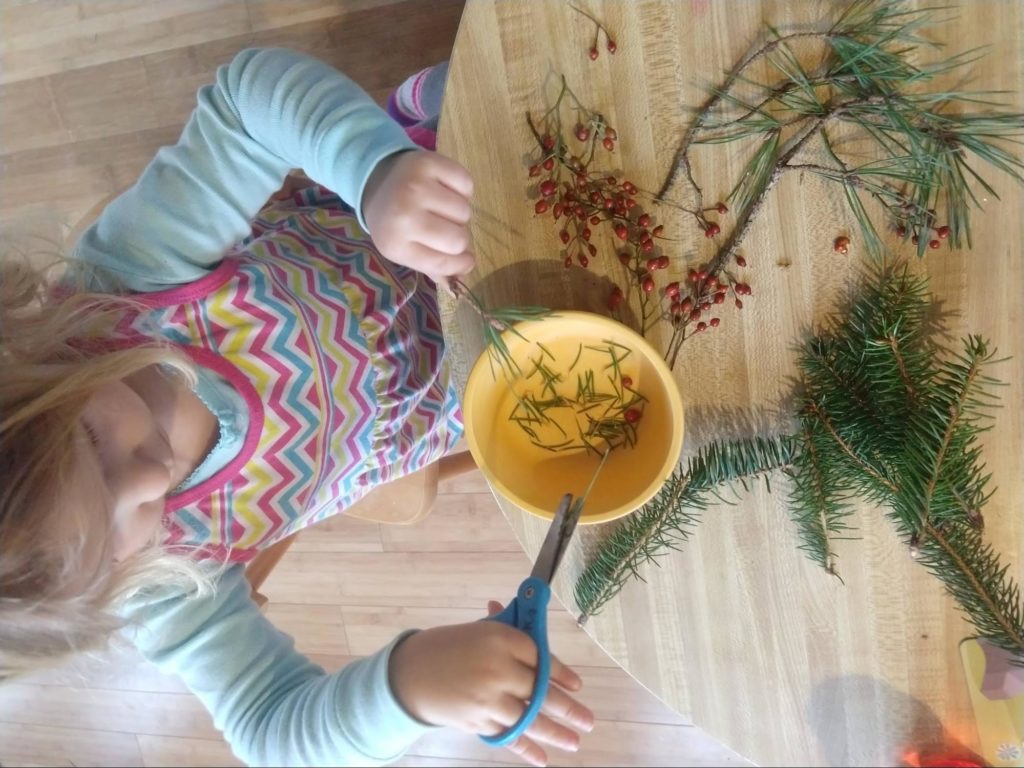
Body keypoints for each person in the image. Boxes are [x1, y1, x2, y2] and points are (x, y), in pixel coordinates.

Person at [0, 47, 593, 767]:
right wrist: (406, 690)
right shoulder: (158, 594)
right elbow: (273, 733)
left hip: (405, 216)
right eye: (117, 536)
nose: (150, 480)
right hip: (483, 386)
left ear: (27, 364)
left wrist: (373, 172)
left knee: (509, 87)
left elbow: (245, 103)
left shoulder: (124, 288)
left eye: (96, 447)